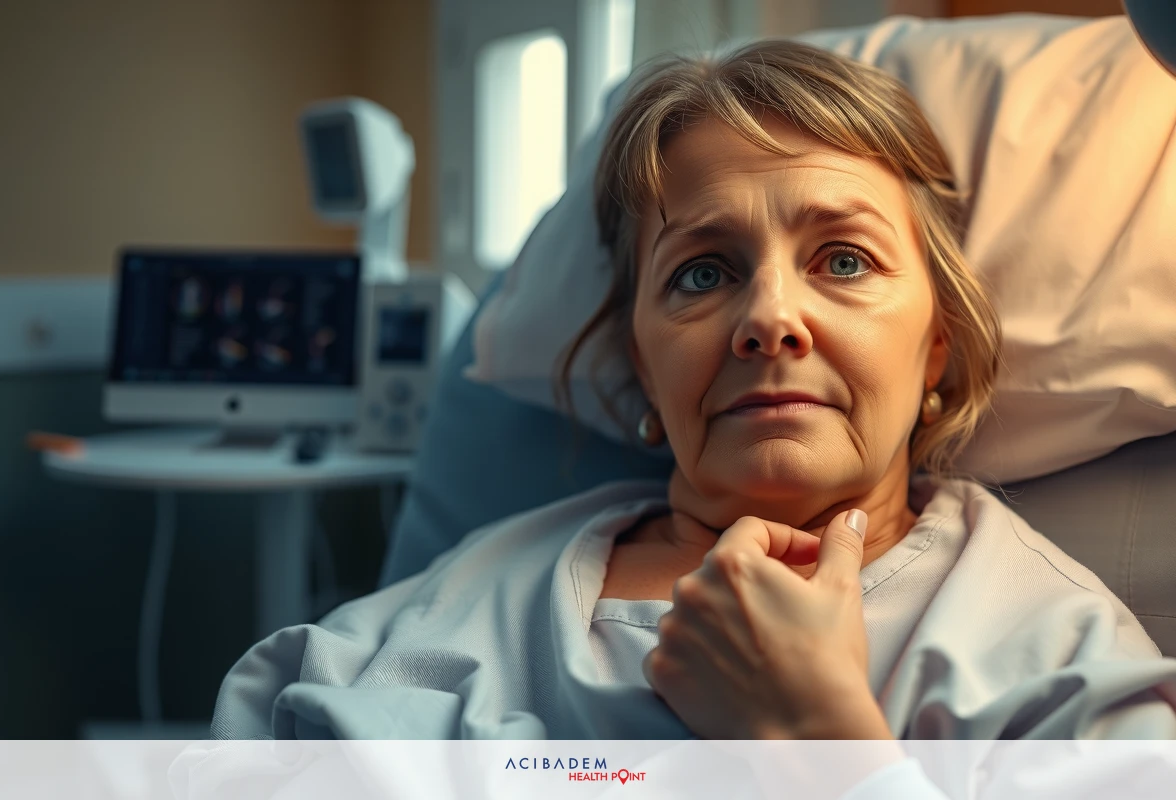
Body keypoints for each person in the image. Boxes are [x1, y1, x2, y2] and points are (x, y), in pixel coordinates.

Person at [209, 41, 1176, 755]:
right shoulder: (449, 606)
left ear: (937, 348)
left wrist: (813, 742)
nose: (768, 319)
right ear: (641, 362)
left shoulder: (1052, 661)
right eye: (702, 274)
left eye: (844, 259)